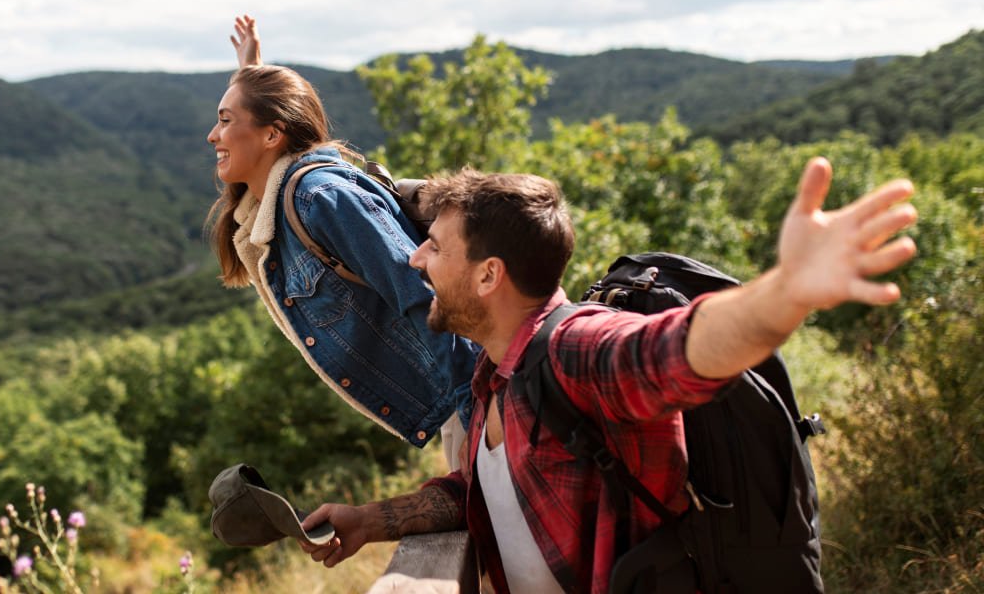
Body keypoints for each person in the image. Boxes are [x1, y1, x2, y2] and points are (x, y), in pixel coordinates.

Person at [296, 160, 918, 593]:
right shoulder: (495, 373)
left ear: (489, 276)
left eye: (434, 246)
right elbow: (487, 491)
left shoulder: (575, 349)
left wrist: (785, 293)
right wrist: (372, 521)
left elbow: (678, 350)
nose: (414, 257)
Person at [205, 15, 479, 463]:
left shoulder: (323, 199)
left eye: (224, 120)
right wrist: (250, 70)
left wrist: (477, 409)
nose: (212, 134)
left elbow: (424, 296)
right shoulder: (270, 209)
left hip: (472, 393)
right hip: (458, 399)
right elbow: (265, 131)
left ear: (273, 134)